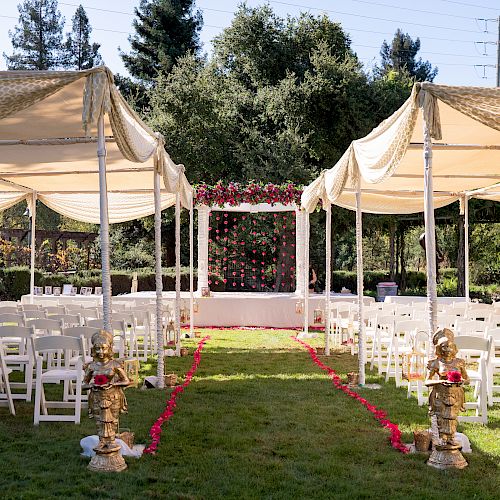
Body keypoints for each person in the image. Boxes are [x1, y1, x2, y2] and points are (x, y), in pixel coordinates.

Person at [83, 330, 130, 452]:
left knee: (113, 419)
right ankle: (102, 440)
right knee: (99, 420)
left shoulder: (114, 364)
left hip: (112, 396)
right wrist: (93, 386)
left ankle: (112, 440)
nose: (101, 352)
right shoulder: (92, 366)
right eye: (97, 349)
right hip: (97, 396)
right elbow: (84, 384)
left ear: (109, 348)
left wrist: (113, 384)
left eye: (103, 348)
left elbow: (126, 381)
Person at [425, 328, 469, 446]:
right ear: (439, 348)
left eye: (450, 347)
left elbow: (467, 379)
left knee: (452, 417)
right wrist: (439, 382)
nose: (447, 350)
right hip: (440, 394)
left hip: (455, 393)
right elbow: (427, 381)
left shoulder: (459, 362)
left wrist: (460, 381)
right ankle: (443, 438)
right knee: (442, 417)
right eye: (444, 347)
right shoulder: (435, 363)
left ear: (454, 348)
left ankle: (451, 437)